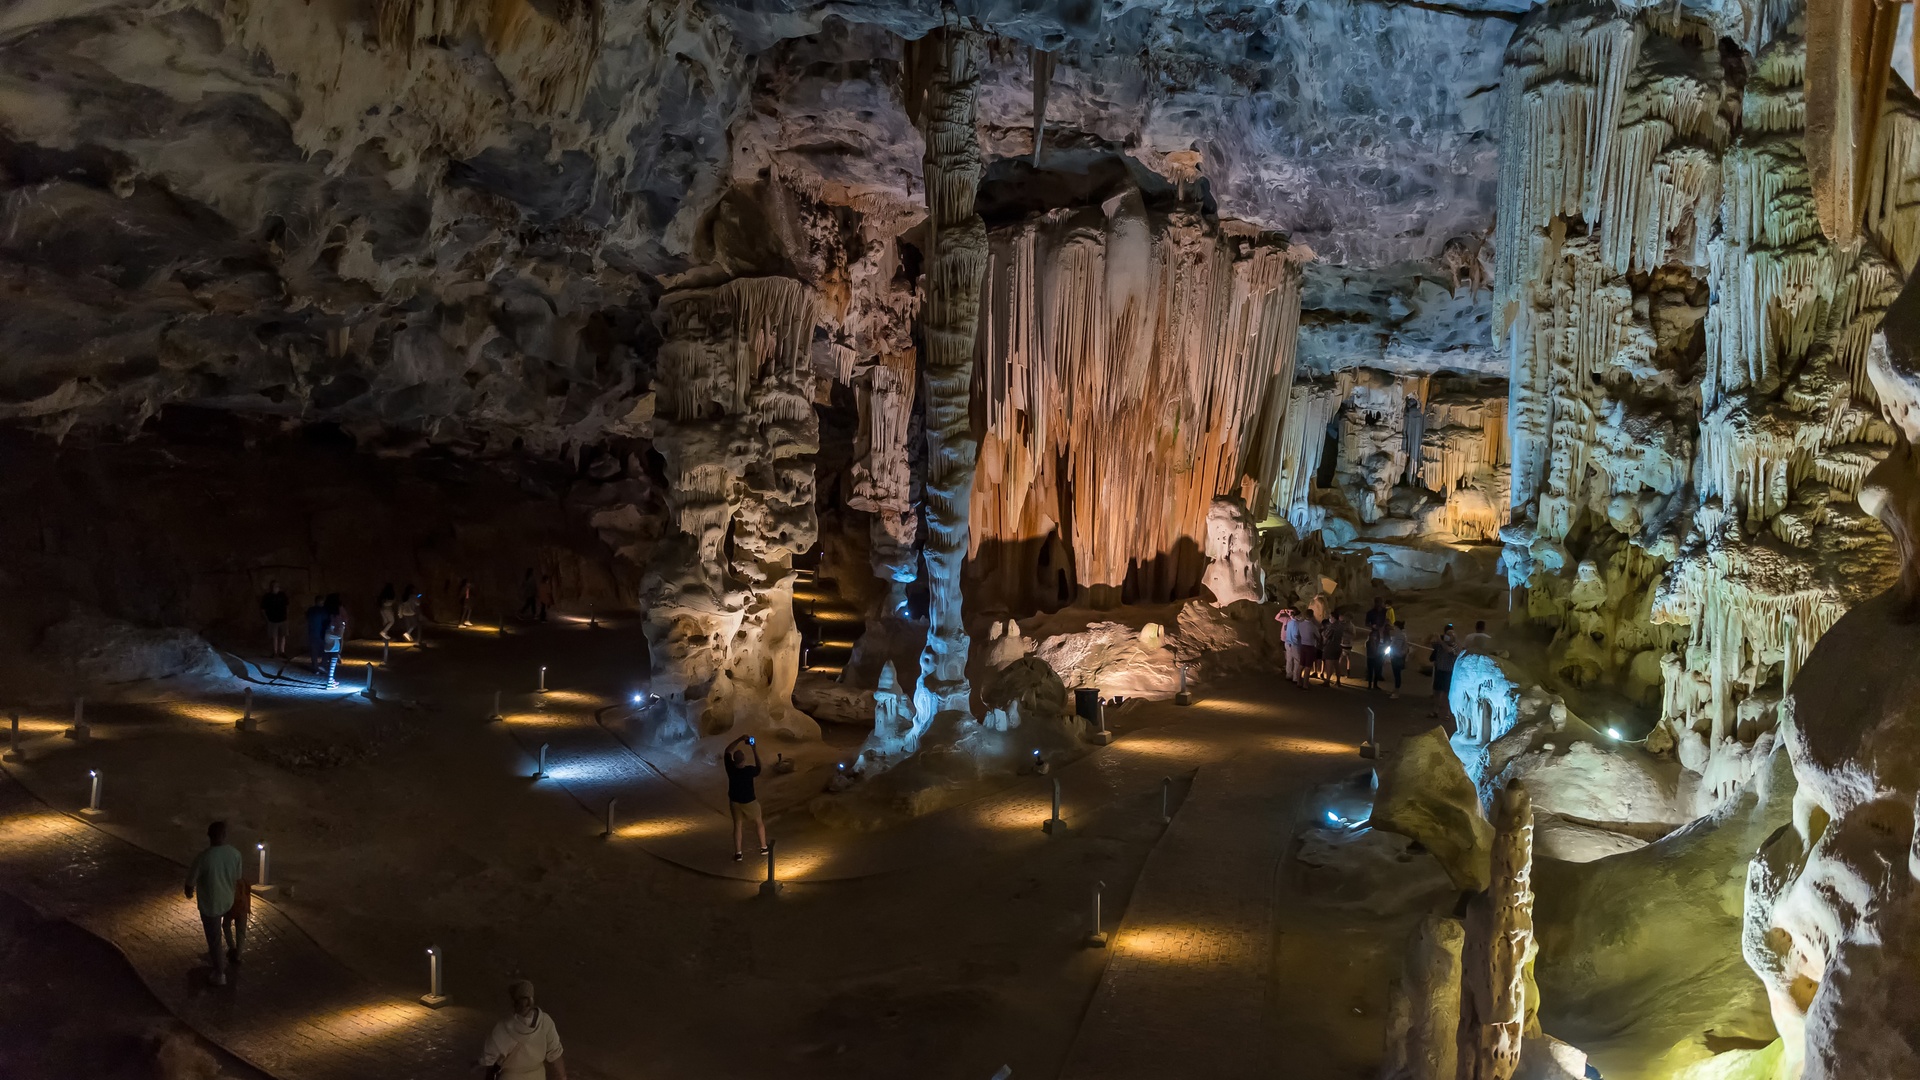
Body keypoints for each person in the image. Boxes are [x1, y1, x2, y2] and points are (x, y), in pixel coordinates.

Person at [184, 821, 243, 985]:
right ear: (225, 835)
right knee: (227, 928)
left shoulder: (203, 858)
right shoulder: (235, 854)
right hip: (228, 900)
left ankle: (219, 973)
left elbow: (190, 883)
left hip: (211, 905)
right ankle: (234, 952)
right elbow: (237, 879)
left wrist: (189, 893)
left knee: (215, 939)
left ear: (209, 836)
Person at [478, 979, 567, 1080]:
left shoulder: (501, 1028)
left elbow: (488, 1061)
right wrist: (562, 1077)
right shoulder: (546, 1022)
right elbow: (555, 1056)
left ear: (513, 1001)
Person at [723, 735, 767, 861]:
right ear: (744, 760)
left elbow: (727, 750)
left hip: (735, 801)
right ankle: (763, 847)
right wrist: (754, 749)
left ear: (734, 761)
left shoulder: (730, 768)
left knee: (737, 825)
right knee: (759, 822)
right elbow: (759, 767)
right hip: (750, 801)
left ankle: (738, 853)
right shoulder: (749, 771)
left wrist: (739, 739)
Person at [1430, 623, 1460, 720]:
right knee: (1436, 692)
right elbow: (1428, 643)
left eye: (1450, 635)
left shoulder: (1455, 646)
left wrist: (1440, 640)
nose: (1447, 637)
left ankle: (1447, 713)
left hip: (1449, 673)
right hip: (1440, 671)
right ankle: (1435, 711)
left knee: (1447, 694)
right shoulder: (1440, 645)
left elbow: (1449, 651)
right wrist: (1432, 636)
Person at [1283, 608, 1319, 688]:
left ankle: (1289, 675)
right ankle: (1296, 678)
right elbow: (1296, 635)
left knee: (1289, 660)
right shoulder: (1298, 624)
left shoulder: (1289, 622)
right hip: (1295, 644)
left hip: (1287, 642)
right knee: (1297, 661)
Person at [224, 873, 253, 965]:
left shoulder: (229, 880)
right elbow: (248, 893)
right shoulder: (243, 880)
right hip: (243, 907)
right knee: (241, 932)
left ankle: (232, 947)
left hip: (232, 908)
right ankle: (238, 955)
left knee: (225, 925)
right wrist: (248, 907)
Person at [260, 580, 290, 659]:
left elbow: (287, 606)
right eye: (274, 586)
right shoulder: (267, 596)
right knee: (274, 637)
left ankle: (282, 651)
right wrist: (267, 619)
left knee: (283, 635)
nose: (276, 588)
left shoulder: (282, 595)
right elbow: (263, 609)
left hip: (283, 619)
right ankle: (275, 652)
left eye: (277, 586)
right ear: (271, 587)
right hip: (272, 620)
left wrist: (286, 616)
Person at [323, 594, 347, 688]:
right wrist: (342, 627)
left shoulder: (327, 612)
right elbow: (339, 635)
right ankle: (329, 681)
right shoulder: (334, 616)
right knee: (333, 660)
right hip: (332, 640)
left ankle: (330, 679)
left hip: (329, 641)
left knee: (331, 660)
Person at [304, 595, 329, 675]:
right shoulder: (324, 611)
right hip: (322, 633)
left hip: (313, 633)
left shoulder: (310, 610)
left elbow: (307, 618)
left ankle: (316, 667)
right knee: (325, 650)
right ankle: (322, 665)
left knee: (314, 651)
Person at [1387, 620, 1410, 699]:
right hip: (1397, 656)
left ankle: (1397, 692)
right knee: (1396, 674)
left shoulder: (1400, 635)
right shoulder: (1400, 635)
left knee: (1397, 675)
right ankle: (1395, 689)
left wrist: (1393, 654)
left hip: (1397, 657)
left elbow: (1397, 647)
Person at [1365, 621, 1389, 691]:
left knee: (1376, 670)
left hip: (1378, 654)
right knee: (1372, 670)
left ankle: (1373, 685)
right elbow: (1370, 643)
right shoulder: (1374, 633)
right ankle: (1371, 685)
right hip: (1374, 654)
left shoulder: (1384, 634)